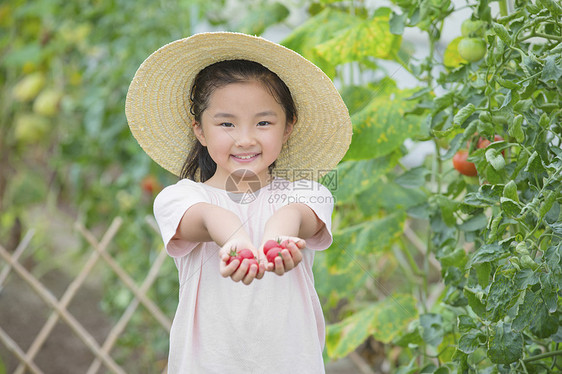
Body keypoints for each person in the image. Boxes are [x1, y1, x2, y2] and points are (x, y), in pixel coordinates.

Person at [125, 32, 352, 374]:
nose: (245, 138)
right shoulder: (181, 198)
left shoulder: (307, 193)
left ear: (288, 127)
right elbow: (206, 217)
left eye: (263, 122)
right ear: (200, 130)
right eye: (226, 123)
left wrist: (276, 240)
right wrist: (235, 239)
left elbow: (294, 215)